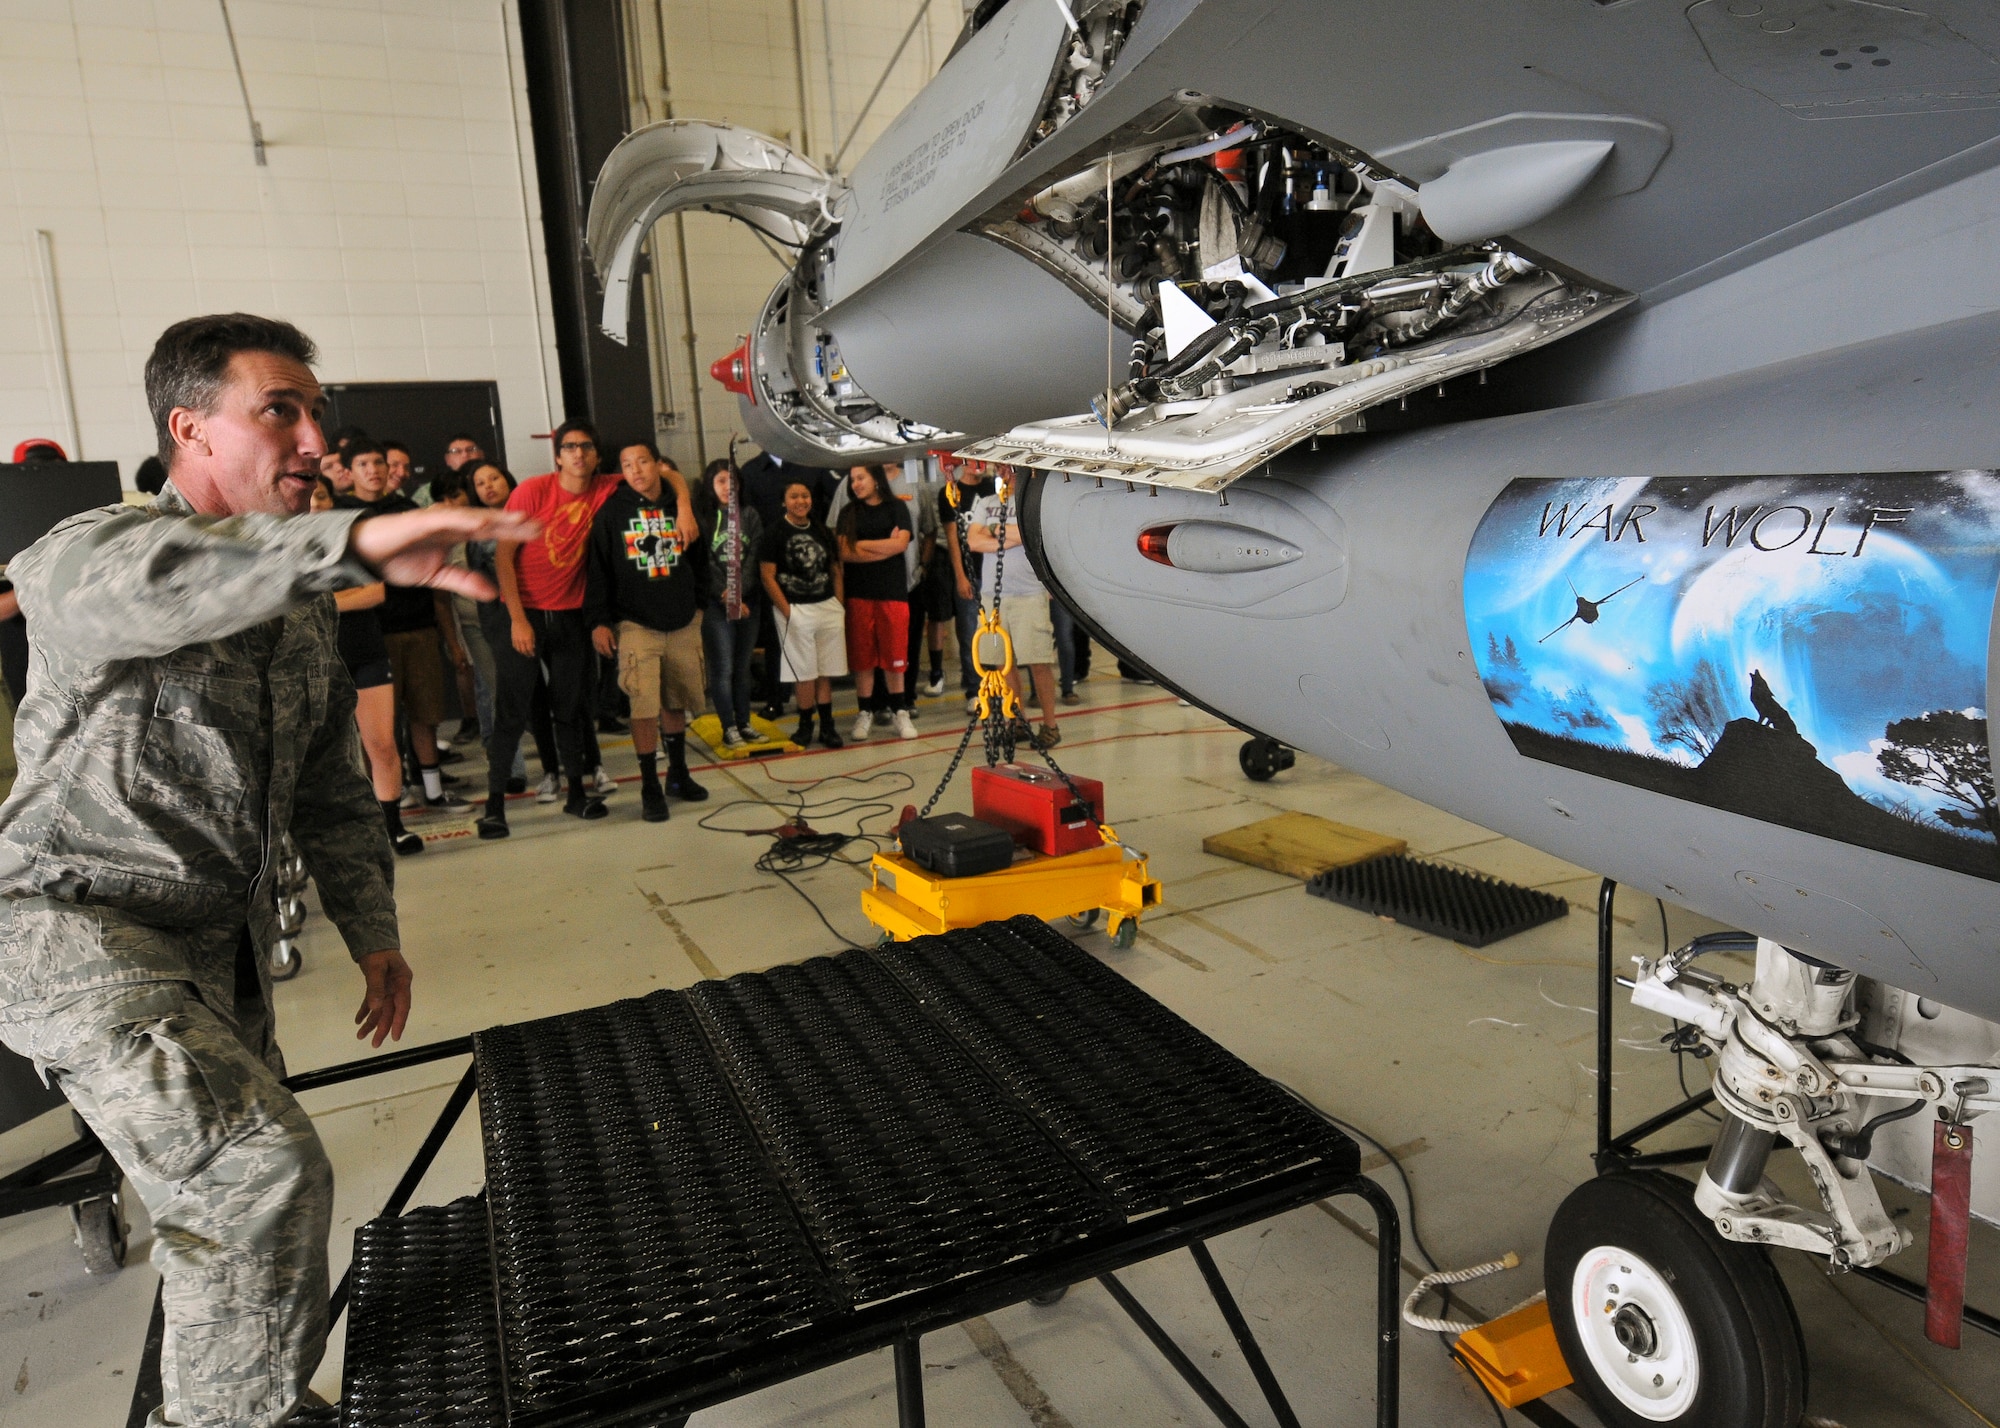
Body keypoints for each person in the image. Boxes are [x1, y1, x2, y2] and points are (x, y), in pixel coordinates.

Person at [0, 312, 531, 1428]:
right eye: (277, 410)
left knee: (235, 1205)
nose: (311, 436)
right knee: (256, 1176)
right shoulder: (87, 556)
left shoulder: (296, 628)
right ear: (188, 428)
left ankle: (248, 1397)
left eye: (316, 413)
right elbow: (151, 584)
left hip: (213, 953)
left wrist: (374, 932)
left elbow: (335, 791)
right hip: (76, 934)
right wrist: (350, 545)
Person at [479, 423, 691, 838]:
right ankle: (492, 808)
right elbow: (504, 556)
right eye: (569, 448)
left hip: (573, 616)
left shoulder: (608, 486)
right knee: (511, 711)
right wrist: (518, 618)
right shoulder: (532, 492)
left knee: (572, 709)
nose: (578, 454)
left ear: (596, 457)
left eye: (586, 447)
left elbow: (668, 473)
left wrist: (683, 504)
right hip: (525, 613)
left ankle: (576, 793)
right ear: (558, 456)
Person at [340, 442, 471, 816]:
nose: (373, 470)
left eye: (378, 462)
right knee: (379, 731)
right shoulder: (342, 514)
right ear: (350, 472)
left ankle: (431, 789)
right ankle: (387, 799)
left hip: (418, 624)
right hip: (371, 635)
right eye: (364, 463)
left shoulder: (408, 511)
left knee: (426, 714)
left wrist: (449, 636)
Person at [585, 444, 710, 821]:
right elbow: (599, 569)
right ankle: (649, 784)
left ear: (658, 465)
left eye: (642, 461)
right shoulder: (611, 513)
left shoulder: (679, 505)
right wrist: (600, 620)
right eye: (626, 465)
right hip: (636, 621)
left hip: (683, 617)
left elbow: (700, 559)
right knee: (642, 704)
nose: (635, 470)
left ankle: (678, 773)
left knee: (675, 700)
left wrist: (700, 605)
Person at [311, 475, 423, 855]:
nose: (314, 503)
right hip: (318, 661)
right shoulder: (287, 550)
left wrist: (322, 602)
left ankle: (391, 828)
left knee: (382, 745)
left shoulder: (354, 544)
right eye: (308, 497)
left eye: (322, 496)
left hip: (366, 653)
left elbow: (375, 593)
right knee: (330, 756)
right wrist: (345, 596)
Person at [465, 462, 556, 798]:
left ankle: (562, 768)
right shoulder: (479, 529)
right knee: (520, 701)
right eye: (479, 483)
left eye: (494, 478)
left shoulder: (532, 514)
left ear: (508, 480)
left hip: (544, 612)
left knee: (551, 695)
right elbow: (483, 585)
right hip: (503, 622)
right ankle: (507, 778)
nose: (488, 486)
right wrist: (501, 625)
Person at [967, 473, 1061, 748]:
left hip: (1029, 595)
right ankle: (1017, 721)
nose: (1006, 475)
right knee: (1001, 664)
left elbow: (1024, 534)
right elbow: (973, 541)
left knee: (1038, 662)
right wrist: (1008, 535)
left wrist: (993, 531)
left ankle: (1051, 725)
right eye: (1001, 469)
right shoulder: (985, 503)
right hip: (993, 598)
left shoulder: (1031, 505)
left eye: (1011, 469)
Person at [758, 479, 845, 749]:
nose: (801, 501)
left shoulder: (820, 529)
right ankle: (805, 725)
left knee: (825, 671)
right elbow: (767, 576)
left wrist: (839, 604)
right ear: (784, 501)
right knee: (804, 672)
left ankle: (828, 726)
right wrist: (788, 612)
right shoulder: (774, 533)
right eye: (794, 496)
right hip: (795, 608)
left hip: (826, 607)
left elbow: (835, 569)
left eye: (805, 496)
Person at [833, 464, 917, 741]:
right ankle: (865, 712)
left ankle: (900, 711)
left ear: (875, 479)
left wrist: (865, 546)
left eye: (861, 478)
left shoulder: (896, 508)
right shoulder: (848, 513)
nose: (856, 484)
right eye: (852, 479)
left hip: (892, 593)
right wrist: (885, 546)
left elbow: (901, 544)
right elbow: (845, 551)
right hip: (859, 594)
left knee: (895, 657)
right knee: (863, 658)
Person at [696, 458, 763, 747]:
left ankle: (745, 722)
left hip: (749, 601)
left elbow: (754, 557)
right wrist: (727, 595)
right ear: (711, 485)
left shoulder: (750, 515)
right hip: (716, 605)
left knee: (742, 666)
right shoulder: (703, 518)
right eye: (721, 481)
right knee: (722, 668)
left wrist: (740, 595)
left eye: (732, 481)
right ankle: (729, 726)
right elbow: (705, 563)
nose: (728, 487)